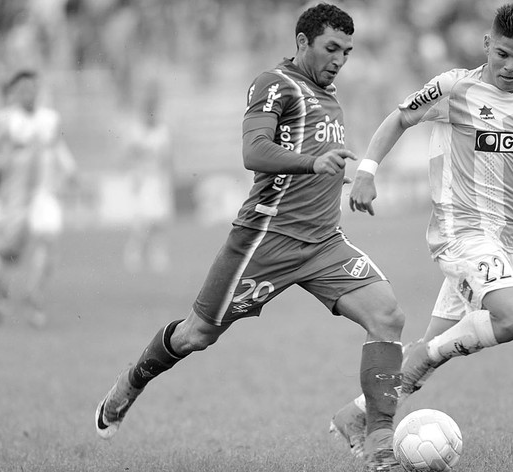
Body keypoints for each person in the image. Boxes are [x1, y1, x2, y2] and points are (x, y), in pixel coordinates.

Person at [95, 4, 406, 471]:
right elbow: (253, 150)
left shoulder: (331, 94)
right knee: (196, 335)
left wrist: (342, 176)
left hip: (323, 243)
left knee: (388, 316)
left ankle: (380, 442)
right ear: (302, 42)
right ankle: (130, 383)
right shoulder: (275, 84)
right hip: (263, 242)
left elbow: (318, 154)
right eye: (330, 48)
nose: (340, 59)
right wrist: (311, 163)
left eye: (347, 50)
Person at [330, 3, 513, 458]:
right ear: (487, 43)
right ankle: (420, 368)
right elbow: (399, 118)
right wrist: (368, 171)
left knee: (429, 348)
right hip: (460, 231)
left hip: (505, 241)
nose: (510, 66)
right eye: (502, 53)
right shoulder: (455, 87)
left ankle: (356, 416)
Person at [0, 69, 77, 327]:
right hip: (13, 197)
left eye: (32, 88)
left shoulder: (49, 119)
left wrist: (70, 169)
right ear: (14, 93)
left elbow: (58, 146)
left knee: (48, 242)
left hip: (43, 195)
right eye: (23, 89)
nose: (29, 93)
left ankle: (34, 298)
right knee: (7, 255)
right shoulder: (3, 121)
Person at [121, 81, 174, 273]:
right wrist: (134, 176)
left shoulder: (162, 131)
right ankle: (133, 254)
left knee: (160, 221)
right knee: (141, 221)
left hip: (158, 180)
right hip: (142, 180)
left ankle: (157, 255)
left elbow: (167, 159)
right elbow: (129, 155)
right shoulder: (137, 131)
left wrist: (167, 179)